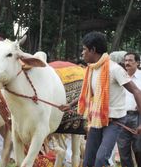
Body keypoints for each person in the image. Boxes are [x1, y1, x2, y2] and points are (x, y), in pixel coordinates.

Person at [59, 31, 141, 167]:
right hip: (97, 120)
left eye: (84, 49)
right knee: (88, 161)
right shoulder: (91, 69)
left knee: (100, 159)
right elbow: (87, 94)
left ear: (93, 50)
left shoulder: (114, 69)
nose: (82, 53)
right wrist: (70, 105)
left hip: (114, 122)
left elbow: (136, 91)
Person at [117, 52, 141, 167]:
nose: (127, 63)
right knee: (123, 152)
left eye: (131, 60)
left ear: (138, 62)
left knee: (139, 149)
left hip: (138, 117)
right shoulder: (120, 76)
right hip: (121, 117)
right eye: (126, 60)